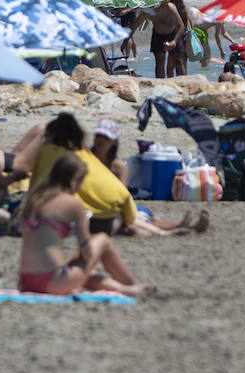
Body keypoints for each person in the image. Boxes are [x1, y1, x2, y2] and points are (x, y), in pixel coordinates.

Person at [26, 113, 204, 236]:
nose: (101, 140)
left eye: (106, 138)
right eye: (99, 136)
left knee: (146, 215)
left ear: (114, 142)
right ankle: (172, 230)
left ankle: (178, 226)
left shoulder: (118, 166)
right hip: (96, 203)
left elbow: (122, 192)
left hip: (117, 203)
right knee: (136, 218)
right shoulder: (86, 157)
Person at [17, 152, 157, 298]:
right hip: (52, 282)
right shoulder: (73, 204)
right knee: (102, 240)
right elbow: (87, 252)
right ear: (73, 180)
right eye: (81, 181)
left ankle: (124, 290)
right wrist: (85, 225)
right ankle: (132, 285)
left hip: (26, 281)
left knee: (87, 272)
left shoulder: (33, 200)